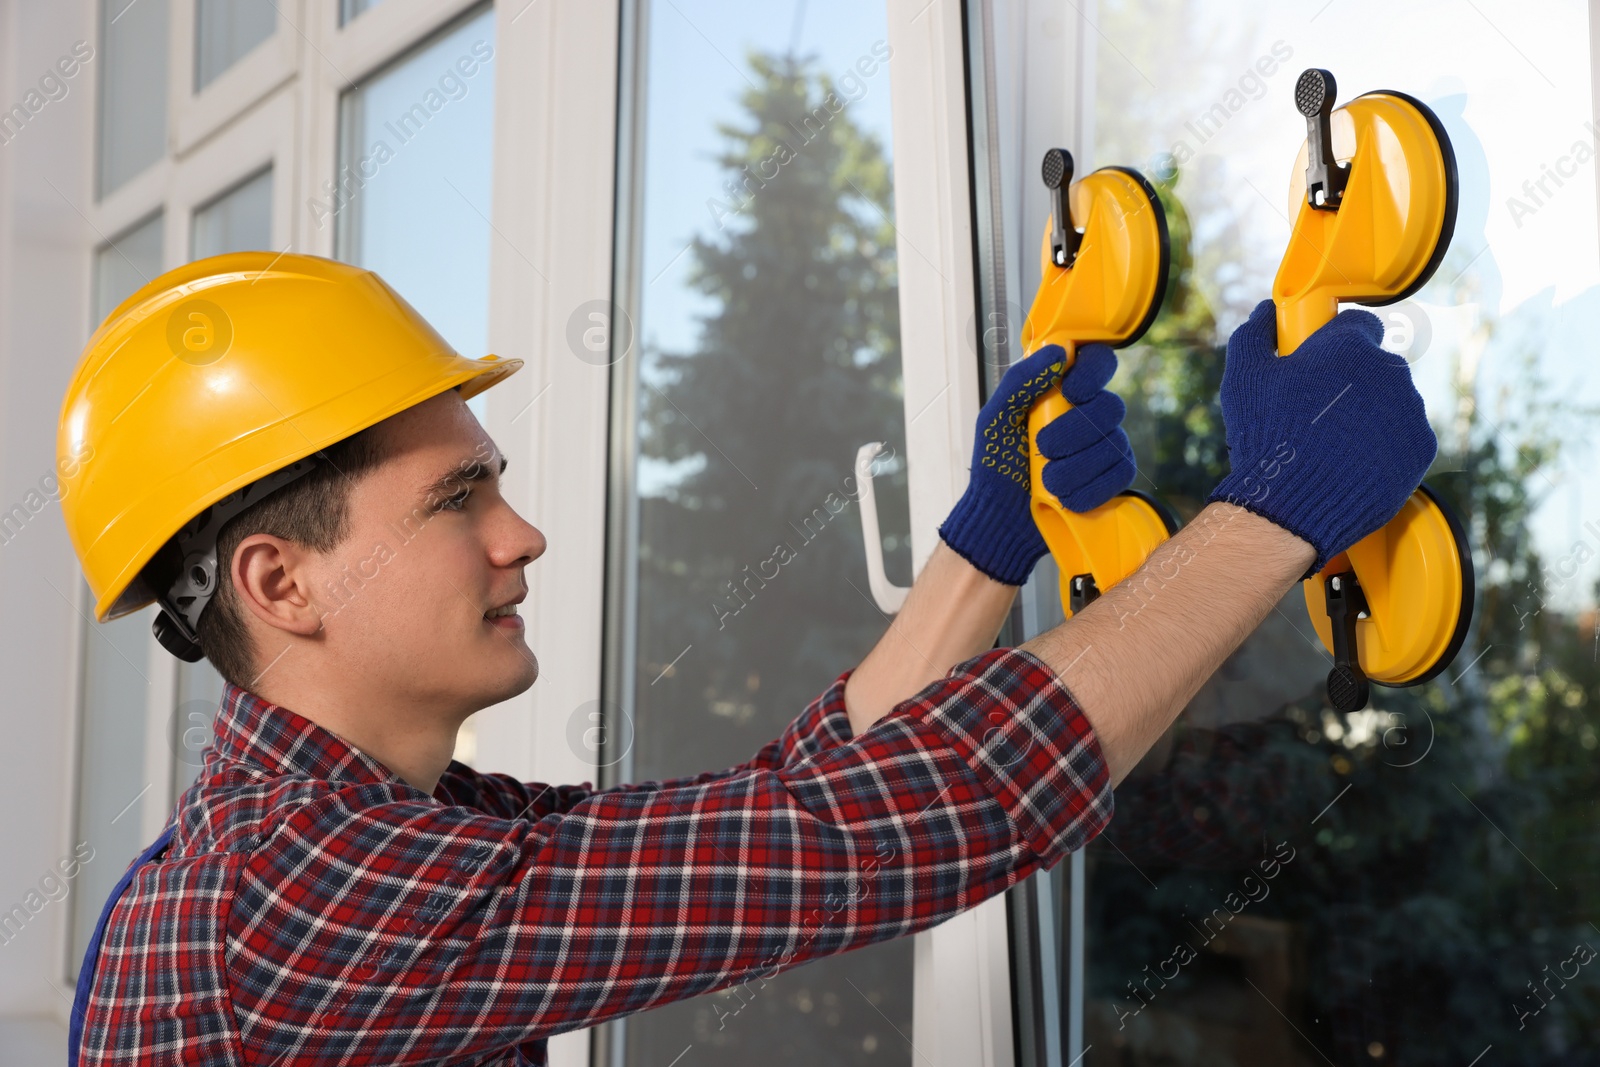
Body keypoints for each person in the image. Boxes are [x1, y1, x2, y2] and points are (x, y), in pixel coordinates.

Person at [62, 252, 1433, 1066]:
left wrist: (982, 548)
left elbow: (764, 819)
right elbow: (856, 843)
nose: (520, 534)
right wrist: (1271, 512)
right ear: (278, 582)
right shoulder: (305, 897)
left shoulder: (346, 841)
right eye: (456, 499)